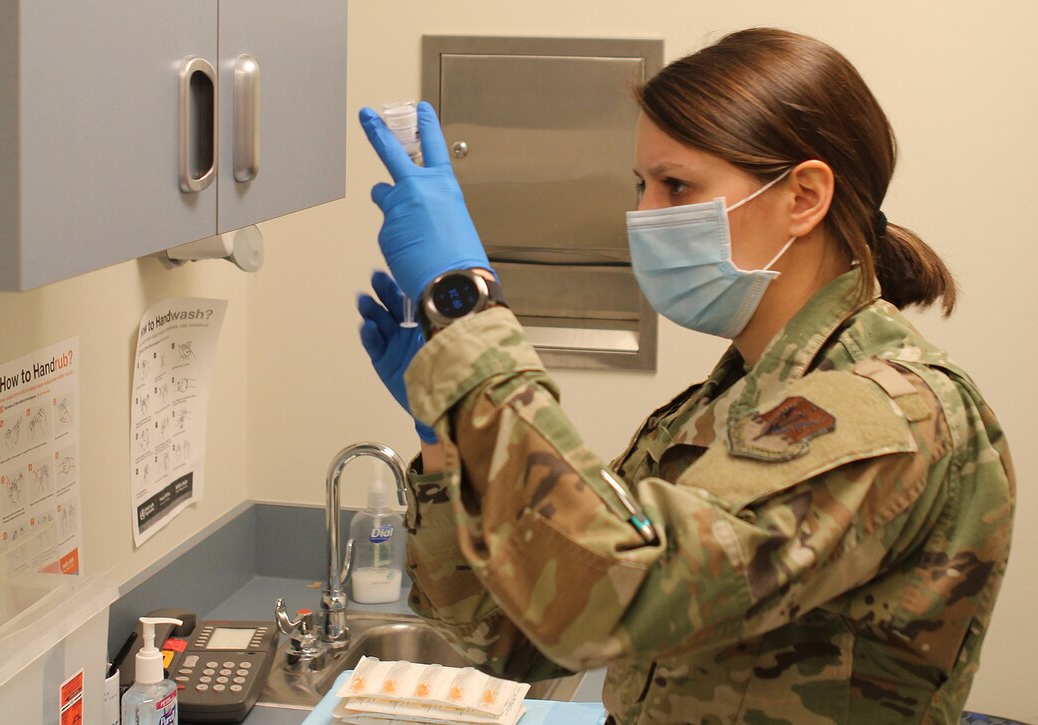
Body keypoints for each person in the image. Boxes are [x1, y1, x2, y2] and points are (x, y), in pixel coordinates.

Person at [355, 28, 1015, 724]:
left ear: (803, 197)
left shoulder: (886, 413)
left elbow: (600, 599)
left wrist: (464, 306)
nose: (644, 216)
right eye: (642, 186)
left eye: (677, 186)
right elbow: (515, 632)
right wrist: (448, 439)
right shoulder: (723, 407)